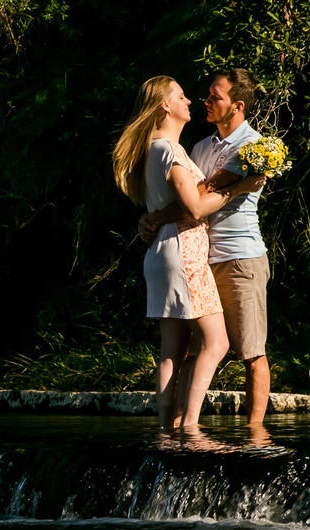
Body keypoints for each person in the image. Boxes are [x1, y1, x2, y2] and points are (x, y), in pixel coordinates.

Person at [112, 76, 265, 429]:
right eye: (181, 96)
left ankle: (167, 429)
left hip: (166, 251)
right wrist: (243, 186)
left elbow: (173, 203)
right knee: (218, 342)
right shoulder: (172, 149)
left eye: (211, 95)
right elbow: (195, 207)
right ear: (165, 105)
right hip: (184, 252)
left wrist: (149, 219)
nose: (192, 100)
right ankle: (191, 426)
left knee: (173, 351)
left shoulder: (158, 148)